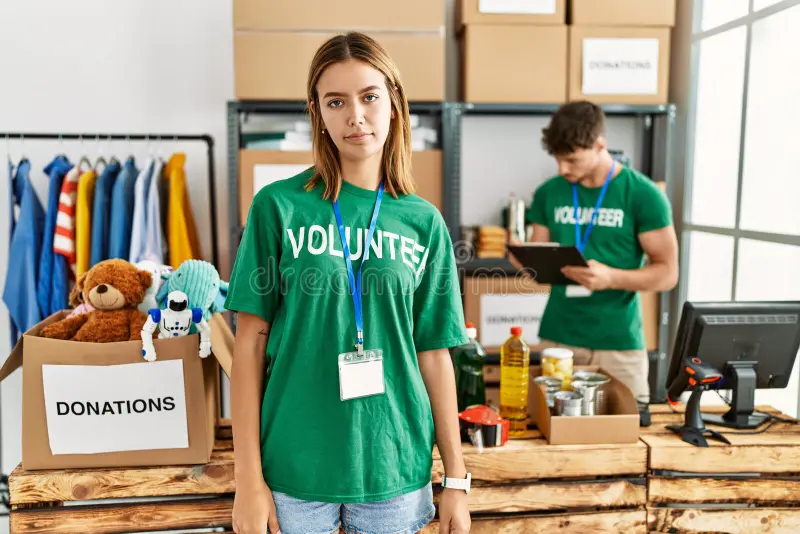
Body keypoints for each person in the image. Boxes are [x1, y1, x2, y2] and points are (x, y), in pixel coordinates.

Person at [225, 32, 472, 534]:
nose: (354, 115)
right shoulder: (277, 207)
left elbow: (434, 354)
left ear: (395, 104)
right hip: (295, 468)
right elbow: (248, 345)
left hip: (396, 468)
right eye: (335, 101)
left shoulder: (423, 222)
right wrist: (247, 479)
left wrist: (457, 480)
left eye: (369, 96)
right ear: (317, 112)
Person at [509, 100, 679, 406]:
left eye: (571, 160)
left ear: (600, 145)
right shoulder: (550, 192)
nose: (562, 169)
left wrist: (611, 278)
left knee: (624, 437)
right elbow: (538, 268)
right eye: (558, 159)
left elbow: (667, 273)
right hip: (559, 339)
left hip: (618, 344)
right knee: (552, 429)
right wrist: (524, 259)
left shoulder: (643, 195)